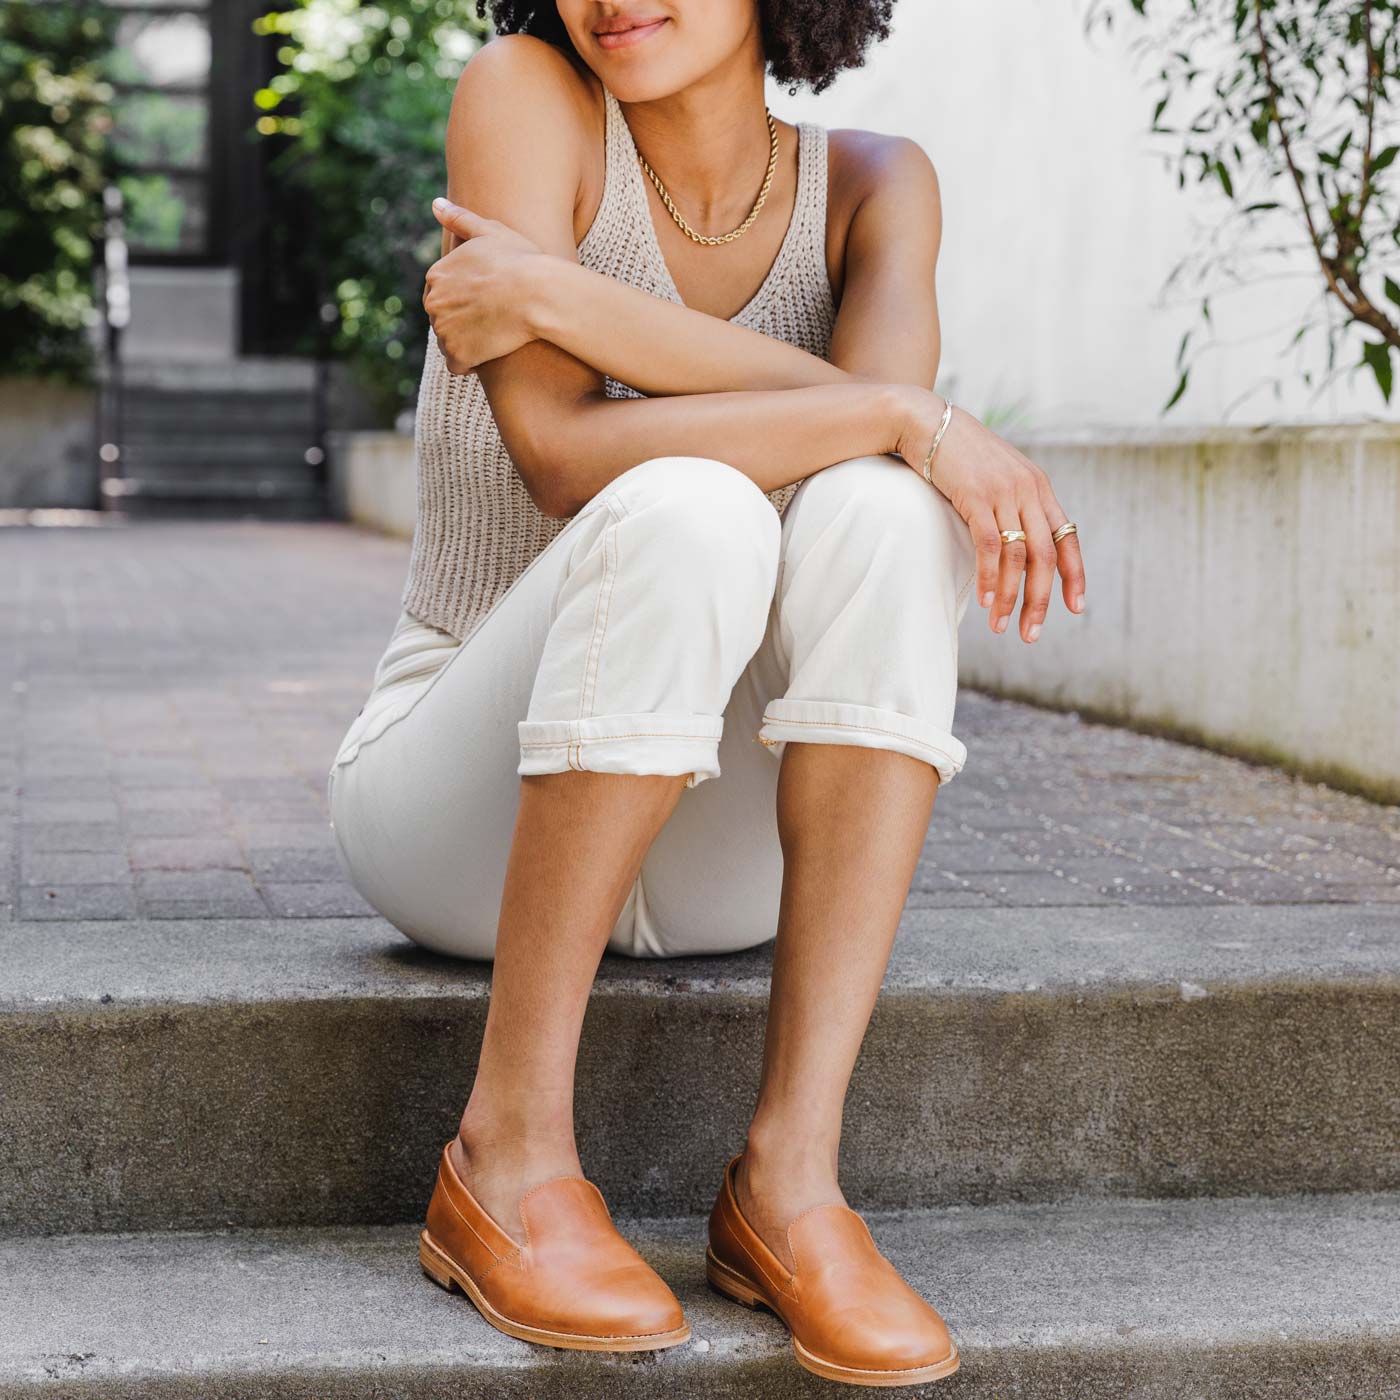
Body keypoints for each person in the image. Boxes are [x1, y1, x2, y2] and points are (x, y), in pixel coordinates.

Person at [326, 0, 1085, 1385]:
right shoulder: (526, 97)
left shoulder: (874, 186)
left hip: (721, 851)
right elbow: (561, 451)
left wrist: (566, 299)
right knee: (689, 502)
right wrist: (904, 411)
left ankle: (790, 1186)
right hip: (460, 812)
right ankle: (506, 1154)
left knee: (885, 514)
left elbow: (879, 450)